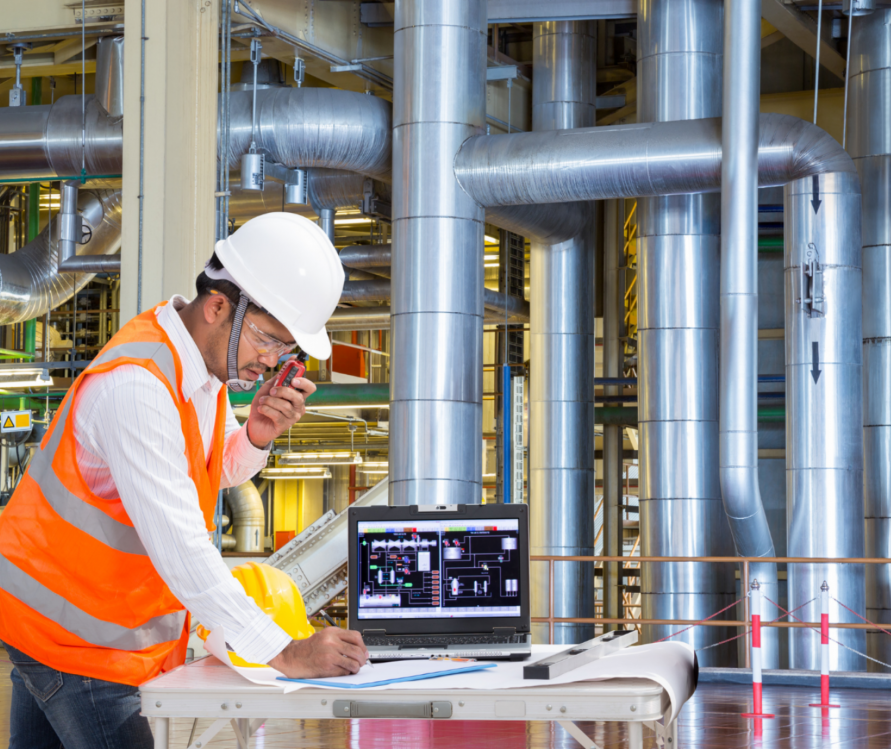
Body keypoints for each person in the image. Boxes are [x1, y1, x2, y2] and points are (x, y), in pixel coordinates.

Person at [0, 213, 365, 749]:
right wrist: (285, 649)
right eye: (268, 341)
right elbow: (183, 550)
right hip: (80, 641)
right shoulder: (138, 389)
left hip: (62, 624)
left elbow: (212, 470)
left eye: (285, 351)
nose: (272, 362)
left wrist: (258, 435)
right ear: (219, 307)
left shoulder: (201, 372)